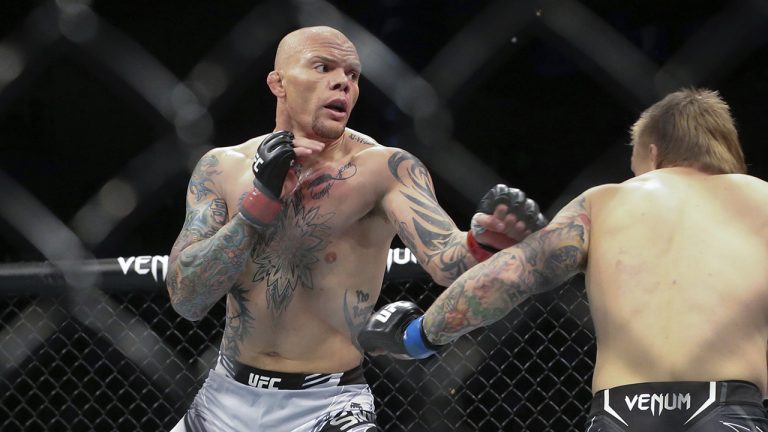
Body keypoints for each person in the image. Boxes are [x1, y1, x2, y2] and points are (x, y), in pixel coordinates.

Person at [166, 26, 546, 432]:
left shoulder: (384, 170)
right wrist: (258, 206)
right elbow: (186, 298)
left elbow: (446, 261)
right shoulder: (222, 167)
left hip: (327, 406)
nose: (342, 83)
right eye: (323, 67)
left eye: (352, 75)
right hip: (223, 397)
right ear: (278, 82)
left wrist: (483, 242)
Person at [360, 88, 768, 431]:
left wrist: (415, 337)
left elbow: (508, 276)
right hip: (726, 409)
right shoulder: (760, 200)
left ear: (653, 152)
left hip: (622, 413)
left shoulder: (605, 203)